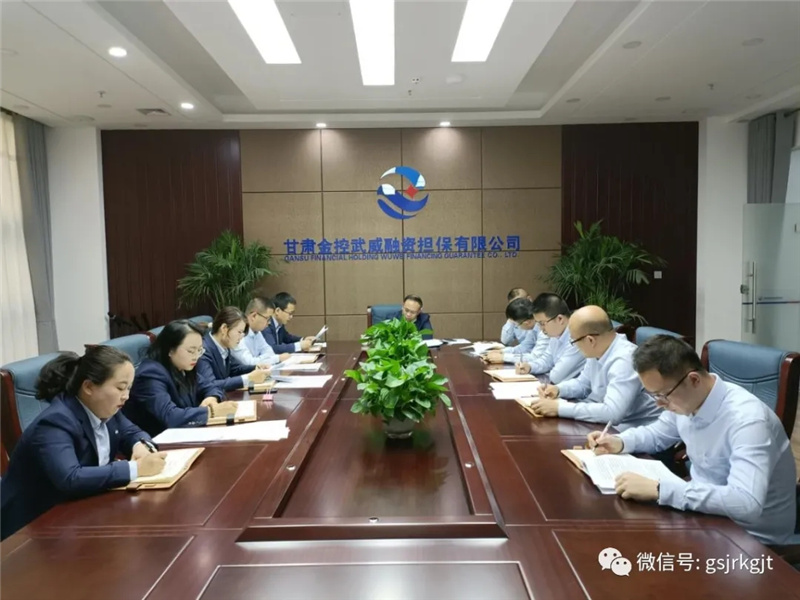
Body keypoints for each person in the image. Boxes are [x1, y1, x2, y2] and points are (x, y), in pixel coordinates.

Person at [587, 335, 797, 546]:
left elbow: (746, 503)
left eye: (663, 395)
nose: (660, 404)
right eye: (654, 395)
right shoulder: (686, 399)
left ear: (694, 380)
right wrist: (620, 441)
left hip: (750, 538)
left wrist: (661, 490)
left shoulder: (748, 421)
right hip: (704, 515)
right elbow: (657, 434)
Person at [1, 346, 166, 540]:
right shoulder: (55, 422)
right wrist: (135, 469)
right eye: (120, 388)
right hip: (29, 528)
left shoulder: (105, 407)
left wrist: (140, 446)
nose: (126, 396)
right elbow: (70, 478)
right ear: (88, 387)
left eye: (129, 388)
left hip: (79, 511)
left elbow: (132, 432)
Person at [530, 305, 660, 430]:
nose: (574, 346)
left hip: (633, 427)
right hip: (605, 421)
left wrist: (560, 408)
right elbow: (583, 384)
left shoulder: (625, 359)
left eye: (573, 341)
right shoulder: (597, 350)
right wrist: (558, 390)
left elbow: (612, 413)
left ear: (590, 340)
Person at [124, 320, 239, 436]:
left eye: (200, 350)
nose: (196, 356)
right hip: (159, 440)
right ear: (170, 350)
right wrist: (211, 412)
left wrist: (211, 398)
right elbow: (170, 416)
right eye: (191, 351)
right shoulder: (150, 375)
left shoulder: (183, 365)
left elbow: (210, 386)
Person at [515, 293, 585, 384]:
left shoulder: (577, 337)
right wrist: (530, 367)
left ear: (560, 319)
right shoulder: (556, 334)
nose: (541, 328)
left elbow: (557, 376)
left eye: (542, 323)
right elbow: (546, 360)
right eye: (538, 324)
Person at [197, 306, 269, 391]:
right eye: (239, 332)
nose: (241, 337)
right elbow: (209, 384)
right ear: (224, 329)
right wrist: (248, 378)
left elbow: (235, 369)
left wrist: (256, 368)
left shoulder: (224, 346)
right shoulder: (203, 350)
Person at [484, 297, 548, 364]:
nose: (516, 327)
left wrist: (504, 358)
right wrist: (502, 352)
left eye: (516, 325)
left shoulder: (544, 330)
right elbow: (524, 347)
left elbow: (535, 357)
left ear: (527, 323)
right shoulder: (533, 327)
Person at [232, 296, 290, 367]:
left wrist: (260, 359)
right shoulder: (238, 333)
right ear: (254, 316)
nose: (269, 323)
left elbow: (269, 352)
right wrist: (277, 358)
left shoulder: (257, 332)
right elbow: (249, 363)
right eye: (267, 319)